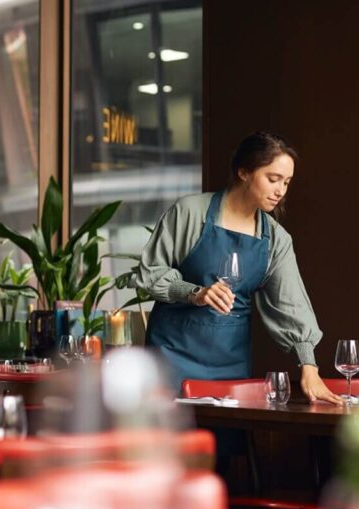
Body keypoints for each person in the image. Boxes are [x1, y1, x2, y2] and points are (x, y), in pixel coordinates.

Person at [136, 131, 342, 405]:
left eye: (287, 182)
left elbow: (291, 304)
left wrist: (309, 366)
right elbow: (150, 272)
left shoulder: (276, 239)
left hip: (231, 365)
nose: (280, 191)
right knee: (173, 445)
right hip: (171, 357)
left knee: (228, 444)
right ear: (244, 172)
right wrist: (194, 292)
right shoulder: (190, 213)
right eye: (273, 179)